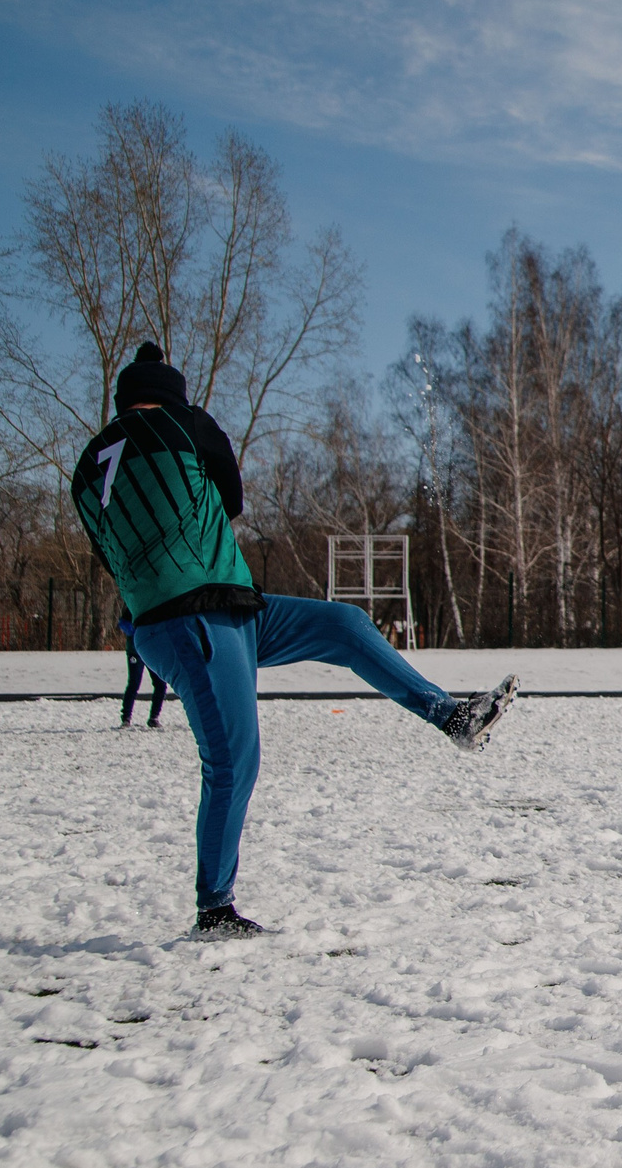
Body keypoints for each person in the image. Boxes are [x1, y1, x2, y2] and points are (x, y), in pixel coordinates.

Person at [72, 343, 517, 940]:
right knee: (233, 758)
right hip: (199, 617)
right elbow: (230, 499)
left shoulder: (84, 469)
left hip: (213, 610)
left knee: (345, 625)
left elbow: (110, 556)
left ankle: (450, 716)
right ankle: (214, 909)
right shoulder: (187, 422)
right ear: (173, 393)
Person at [121, 631, 169, 728]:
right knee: (134, 683)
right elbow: (124, 624)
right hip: (135, 651)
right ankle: (126, 717)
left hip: (153, 651)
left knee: (160, 684)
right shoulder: (131, 615)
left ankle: (154, 717)